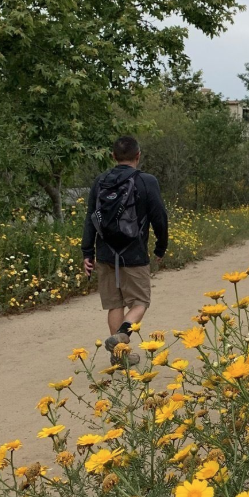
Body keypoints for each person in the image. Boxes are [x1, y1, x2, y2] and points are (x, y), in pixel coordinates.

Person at [81, 136, 168, 364]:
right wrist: (161, 246)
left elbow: (90, 219)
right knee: (140, 303)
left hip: (106, 253)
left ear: (113, 156)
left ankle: (118, 357)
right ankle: (122, 337)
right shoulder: (147, 181)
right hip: (135, 254)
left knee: (114, 304)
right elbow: (159, 217)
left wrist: (87, 253)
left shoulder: (100, 181)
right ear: (138, 155)